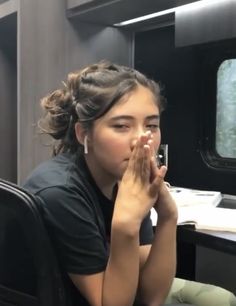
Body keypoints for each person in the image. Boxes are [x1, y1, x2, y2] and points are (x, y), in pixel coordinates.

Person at [23, 61, 236, 306]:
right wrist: (126, 223)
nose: (141, 140)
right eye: (121, 126)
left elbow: (151, 296)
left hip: (116, 286)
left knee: (222, 299)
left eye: (151, 126)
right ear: (84, 134)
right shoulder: (60, 193)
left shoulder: (126, 180)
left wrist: (167, 217)